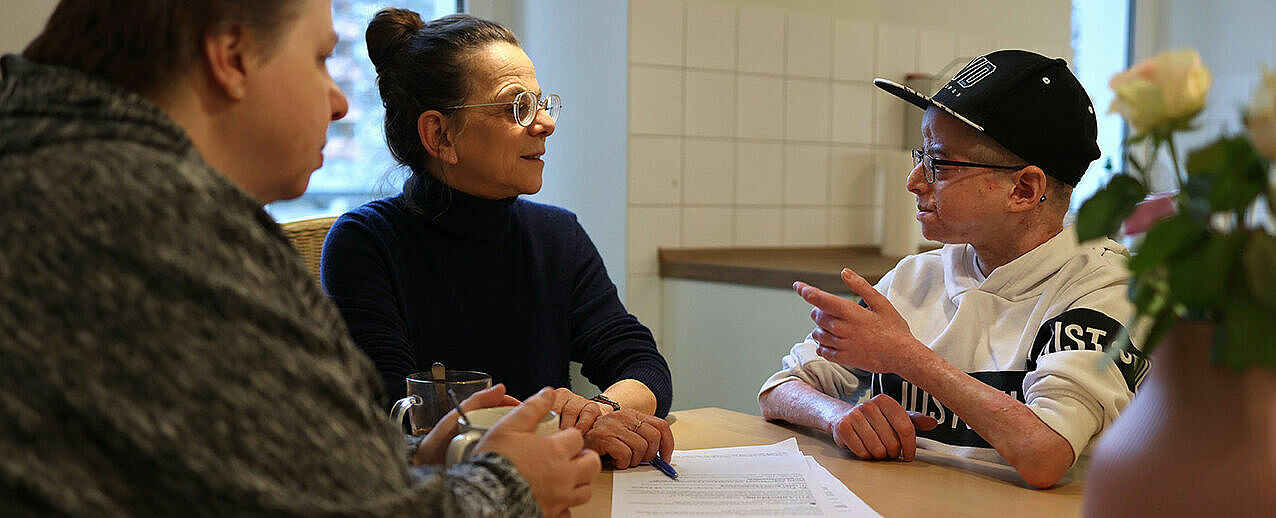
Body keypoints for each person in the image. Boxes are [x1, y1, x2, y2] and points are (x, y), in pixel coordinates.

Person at [0, 1, 598, 516]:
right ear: (231, 55)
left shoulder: (51, 165)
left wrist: (416, 457)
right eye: (318, 59)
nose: (339, 103)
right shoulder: (150, 213)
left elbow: (259, 468)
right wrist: (511, 486)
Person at [757, 50, 1150, 489]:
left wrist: (905, 356)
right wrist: (838, 416)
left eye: (939, 163)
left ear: (1024, 189)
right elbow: (779, 389)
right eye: (920, 155)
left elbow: (1046, 454)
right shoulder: (914, 277)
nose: (914, 180)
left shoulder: (1105, 286)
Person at [320, 10, 674, 470]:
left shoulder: (558, 237)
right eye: (517, 107)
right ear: (440, 135)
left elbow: (642, 365)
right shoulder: (364, 243)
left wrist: (598, 412)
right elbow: (394, 414)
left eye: (543, 103)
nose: (545, 123)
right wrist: (558, 423)